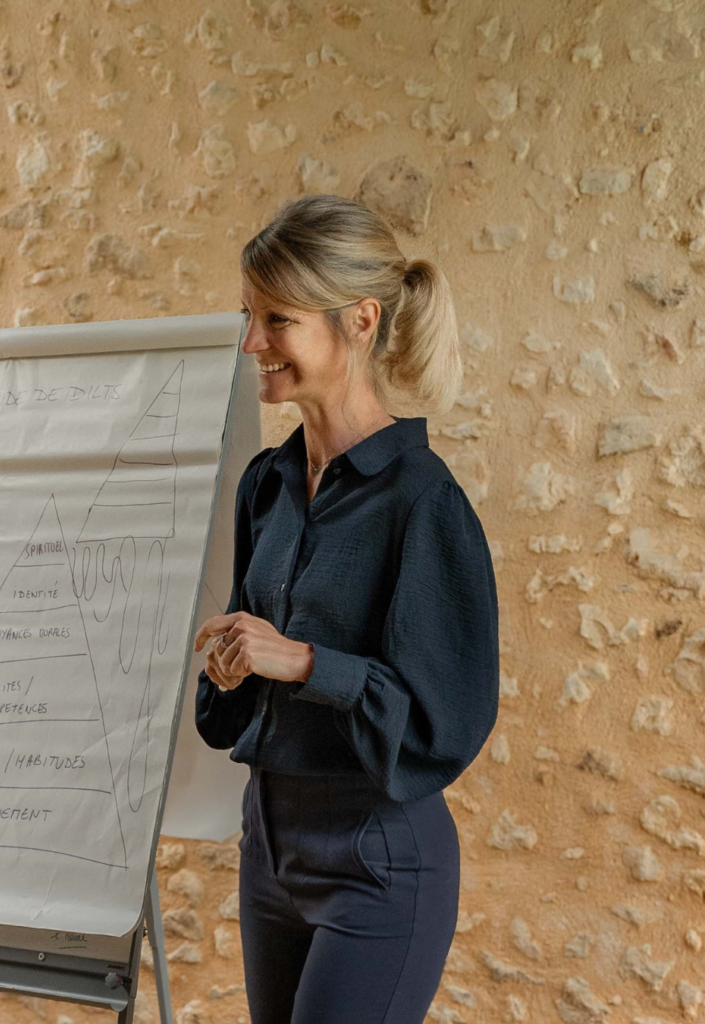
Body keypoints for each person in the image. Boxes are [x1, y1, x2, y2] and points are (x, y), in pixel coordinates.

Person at [193, 193, 499, 1024]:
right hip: (268, 845)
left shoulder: (423, 501)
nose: (252, 343)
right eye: (249, 315)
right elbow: (240, 682)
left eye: (278, 320)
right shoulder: (266, 485)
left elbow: (441, 720)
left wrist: (300, 660)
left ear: (359, 321)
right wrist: (231, 667)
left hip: (376, 858)